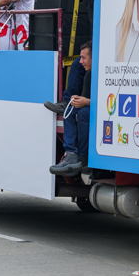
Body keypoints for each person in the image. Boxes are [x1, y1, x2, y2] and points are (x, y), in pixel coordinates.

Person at [49, 41, 92, 177]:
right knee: (69, 110)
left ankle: (83, 158)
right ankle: (71, 154)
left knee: (83, 113)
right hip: (91, 105)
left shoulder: (106, 72)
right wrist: (78, 100)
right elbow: (84, 98)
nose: (81, 61)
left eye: (84, 58)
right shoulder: (89, 74)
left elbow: (112, 100)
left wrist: (87, 102)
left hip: (102, 110)